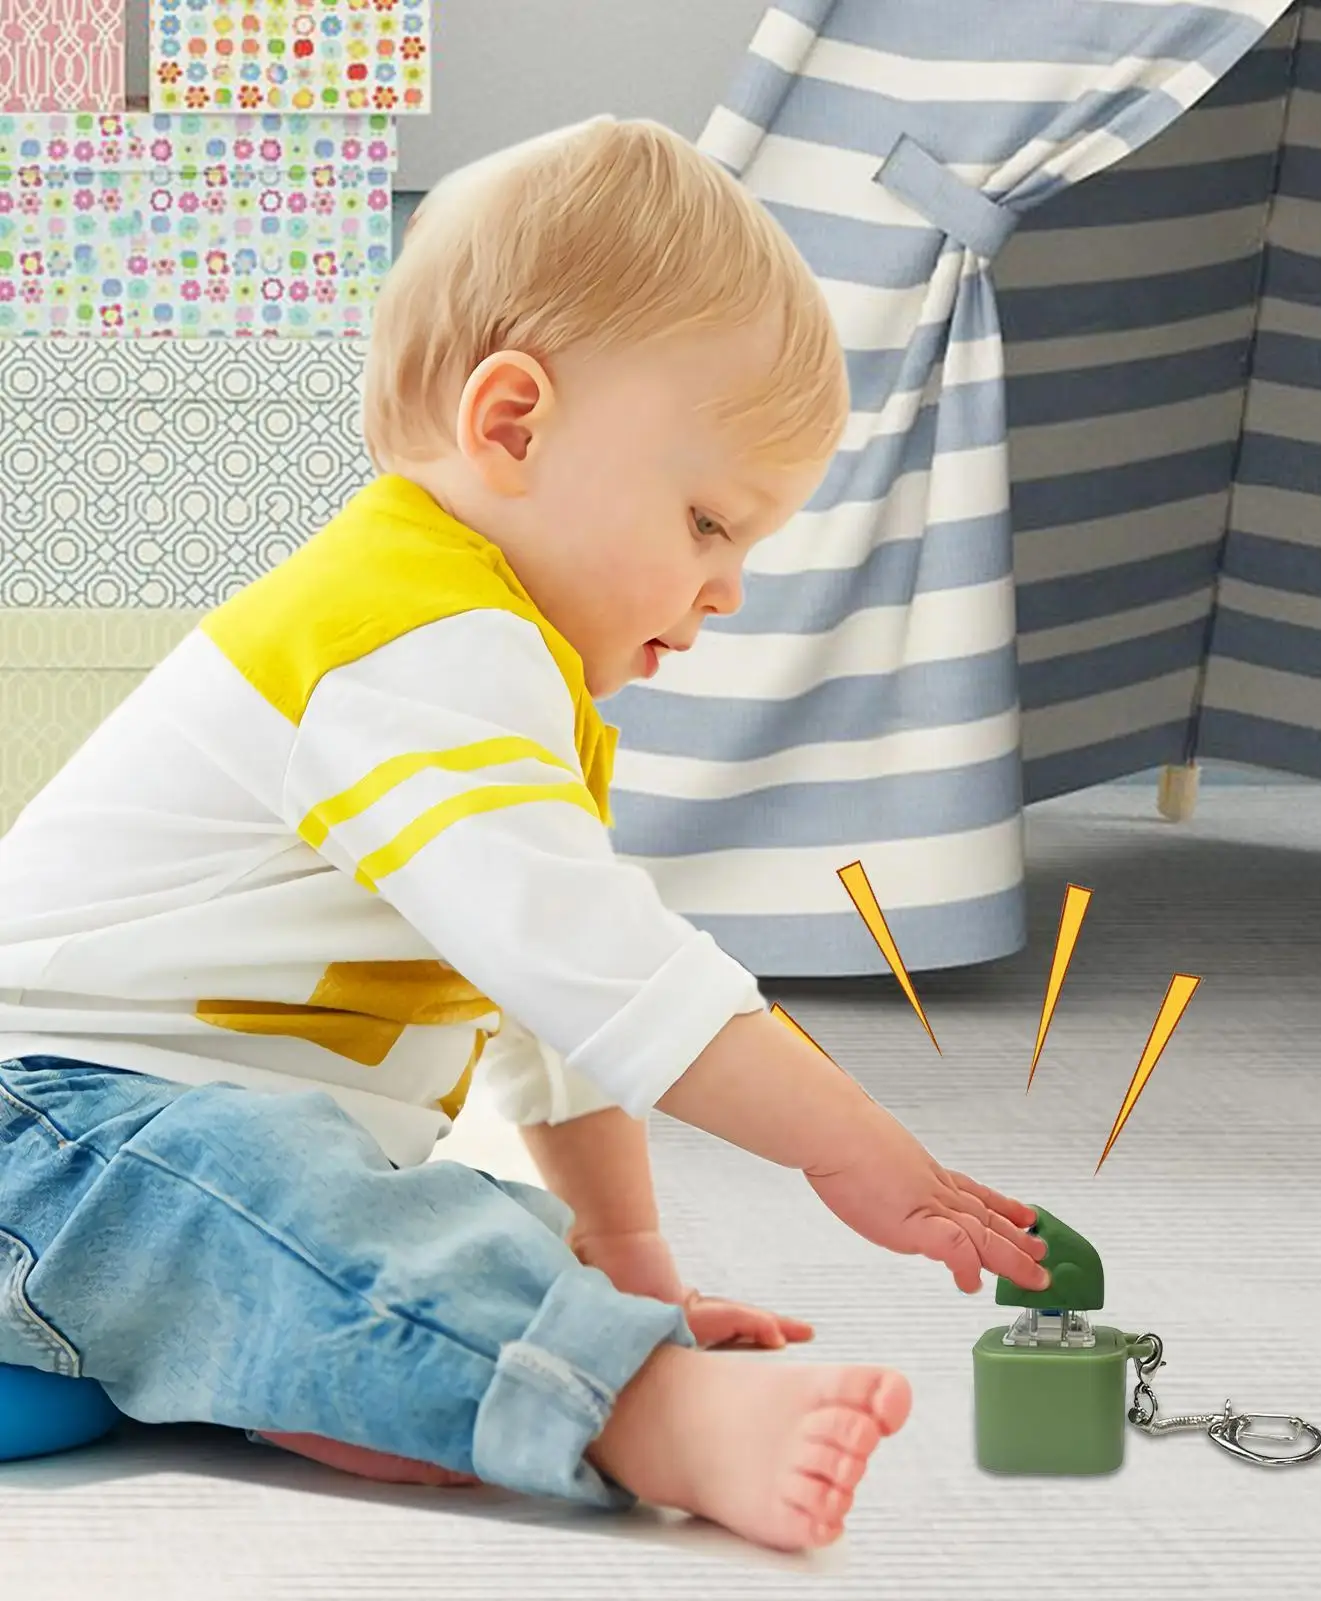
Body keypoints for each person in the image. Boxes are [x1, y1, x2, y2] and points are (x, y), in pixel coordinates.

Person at [0, 117, 1048, 1553]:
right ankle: (647, 1416)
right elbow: (598, 970)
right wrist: (845, 1146)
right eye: (708, 522)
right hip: (48, 1133)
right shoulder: (402, 636)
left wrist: (623, 1261)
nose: (728, 588)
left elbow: (544, 1013)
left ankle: (354, 1372)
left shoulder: (493, 674)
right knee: (278, 1199)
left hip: (130, 1164)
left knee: (450, 1214)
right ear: (513, 426)